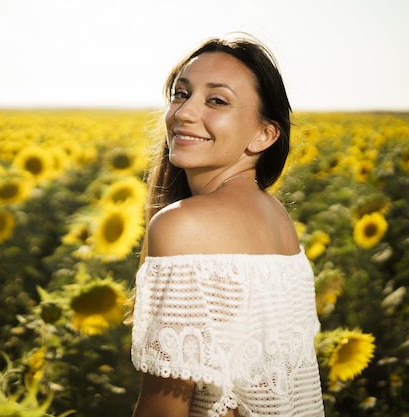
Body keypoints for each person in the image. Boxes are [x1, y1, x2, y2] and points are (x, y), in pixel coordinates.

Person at [130, 35, 325, 417]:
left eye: (216, 100)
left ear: (264, 134)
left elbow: (163, 409)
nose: (184, 113)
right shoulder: (278, 220)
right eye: (181, 94)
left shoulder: (184, 225)